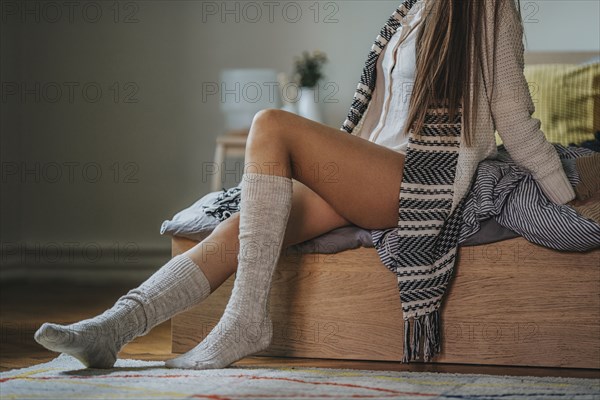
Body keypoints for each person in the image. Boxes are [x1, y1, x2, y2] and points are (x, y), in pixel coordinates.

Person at [34, 0, 575, 369]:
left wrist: (565, 192)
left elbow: (513, 111)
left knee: (271, 123)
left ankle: (245, 321)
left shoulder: (490, 6)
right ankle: (112, 329)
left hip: (423, 179)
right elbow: (381, 115)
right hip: (375, 165)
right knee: (244, 223)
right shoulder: (412, 8)